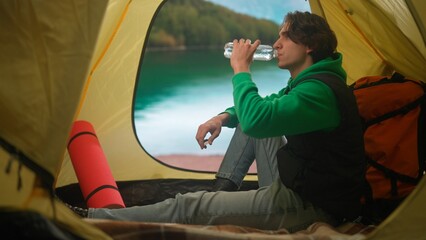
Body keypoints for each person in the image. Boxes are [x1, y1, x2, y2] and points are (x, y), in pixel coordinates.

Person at [70, 11, 366, 232]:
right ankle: (221, 193)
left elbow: (256, 118)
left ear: (309, 44)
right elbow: (264, 109)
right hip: (301, 184)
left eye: (285, 36)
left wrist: (240, 69)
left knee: (188, 205)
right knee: (255, 120)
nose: (276, 44)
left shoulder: (320, 92)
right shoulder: (311, 83)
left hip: (311, 205)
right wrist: (223, 117)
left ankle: (90, 220)